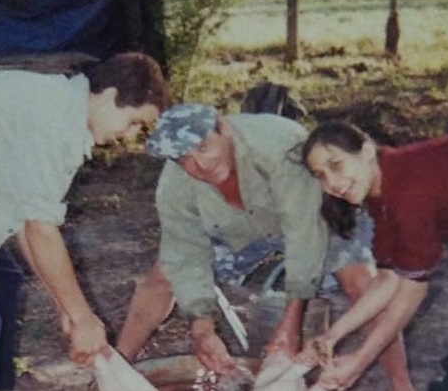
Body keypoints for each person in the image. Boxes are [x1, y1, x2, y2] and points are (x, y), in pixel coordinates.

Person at [0, 52, 169, 390]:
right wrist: (82, 317)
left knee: (2, 281)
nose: (130, 136)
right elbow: (41, 231)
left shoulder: (64, 112)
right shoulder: (55, 122)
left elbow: (27, 225)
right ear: (110, 96)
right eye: (134, 123)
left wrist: (68, 310)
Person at [115, 103, 414, 391]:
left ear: (223, 128)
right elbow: (184, 256)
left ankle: (402, 385)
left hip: (313, 215)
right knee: (162, 276)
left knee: (362, 282)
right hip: (240, 229)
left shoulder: (279, 145)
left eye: (204, 147)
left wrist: (290, 325)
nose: (200, 164)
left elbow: (304, 233)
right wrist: (202, 328)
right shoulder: (174, 186)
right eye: (185, 159)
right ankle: (116, 369)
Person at [299, 121, 448, 391]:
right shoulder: (383, 192)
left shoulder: (408, 193)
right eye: (321, 176)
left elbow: (411, 291)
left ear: (367, 151)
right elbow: (389, 277)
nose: (331, 184)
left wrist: (359, 362)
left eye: (336, 166)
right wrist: (331, 336)